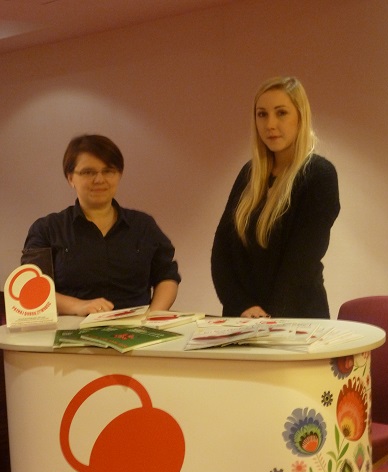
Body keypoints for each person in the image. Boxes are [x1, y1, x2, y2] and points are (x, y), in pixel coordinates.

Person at [211, 76, 340, 319]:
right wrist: (240, 305)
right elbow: (222, 252)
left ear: (300, 117)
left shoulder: (319, 175)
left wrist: (271, 321)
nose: (270, 124)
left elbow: (300, 263)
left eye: (281, 113)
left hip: (297, 319)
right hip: (244, 319)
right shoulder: (249, 174)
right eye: (262, 114)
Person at [22, 134, 181, 316]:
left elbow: (167, 276)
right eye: (88, 172)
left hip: (136, 328)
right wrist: (78, 306)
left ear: (119, 175)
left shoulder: (144, 226)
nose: (99, 179)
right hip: (71, 328)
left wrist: (153, 315)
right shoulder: (46, 229)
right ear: (70, 178)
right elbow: (31, 287)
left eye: (108, 171)